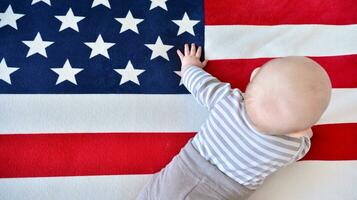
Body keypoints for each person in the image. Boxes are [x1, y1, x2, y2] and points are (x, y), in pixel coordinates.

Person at [136, 43, 332, 200]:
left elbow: (201, 85)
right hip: (225, 192)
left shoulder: (227, 101)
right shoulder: (288, 147)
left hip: (183, 172)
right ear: (298, 131)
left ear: (254, 75)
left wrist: (189, 66)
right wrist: (305, 134)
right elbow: (304, 147)